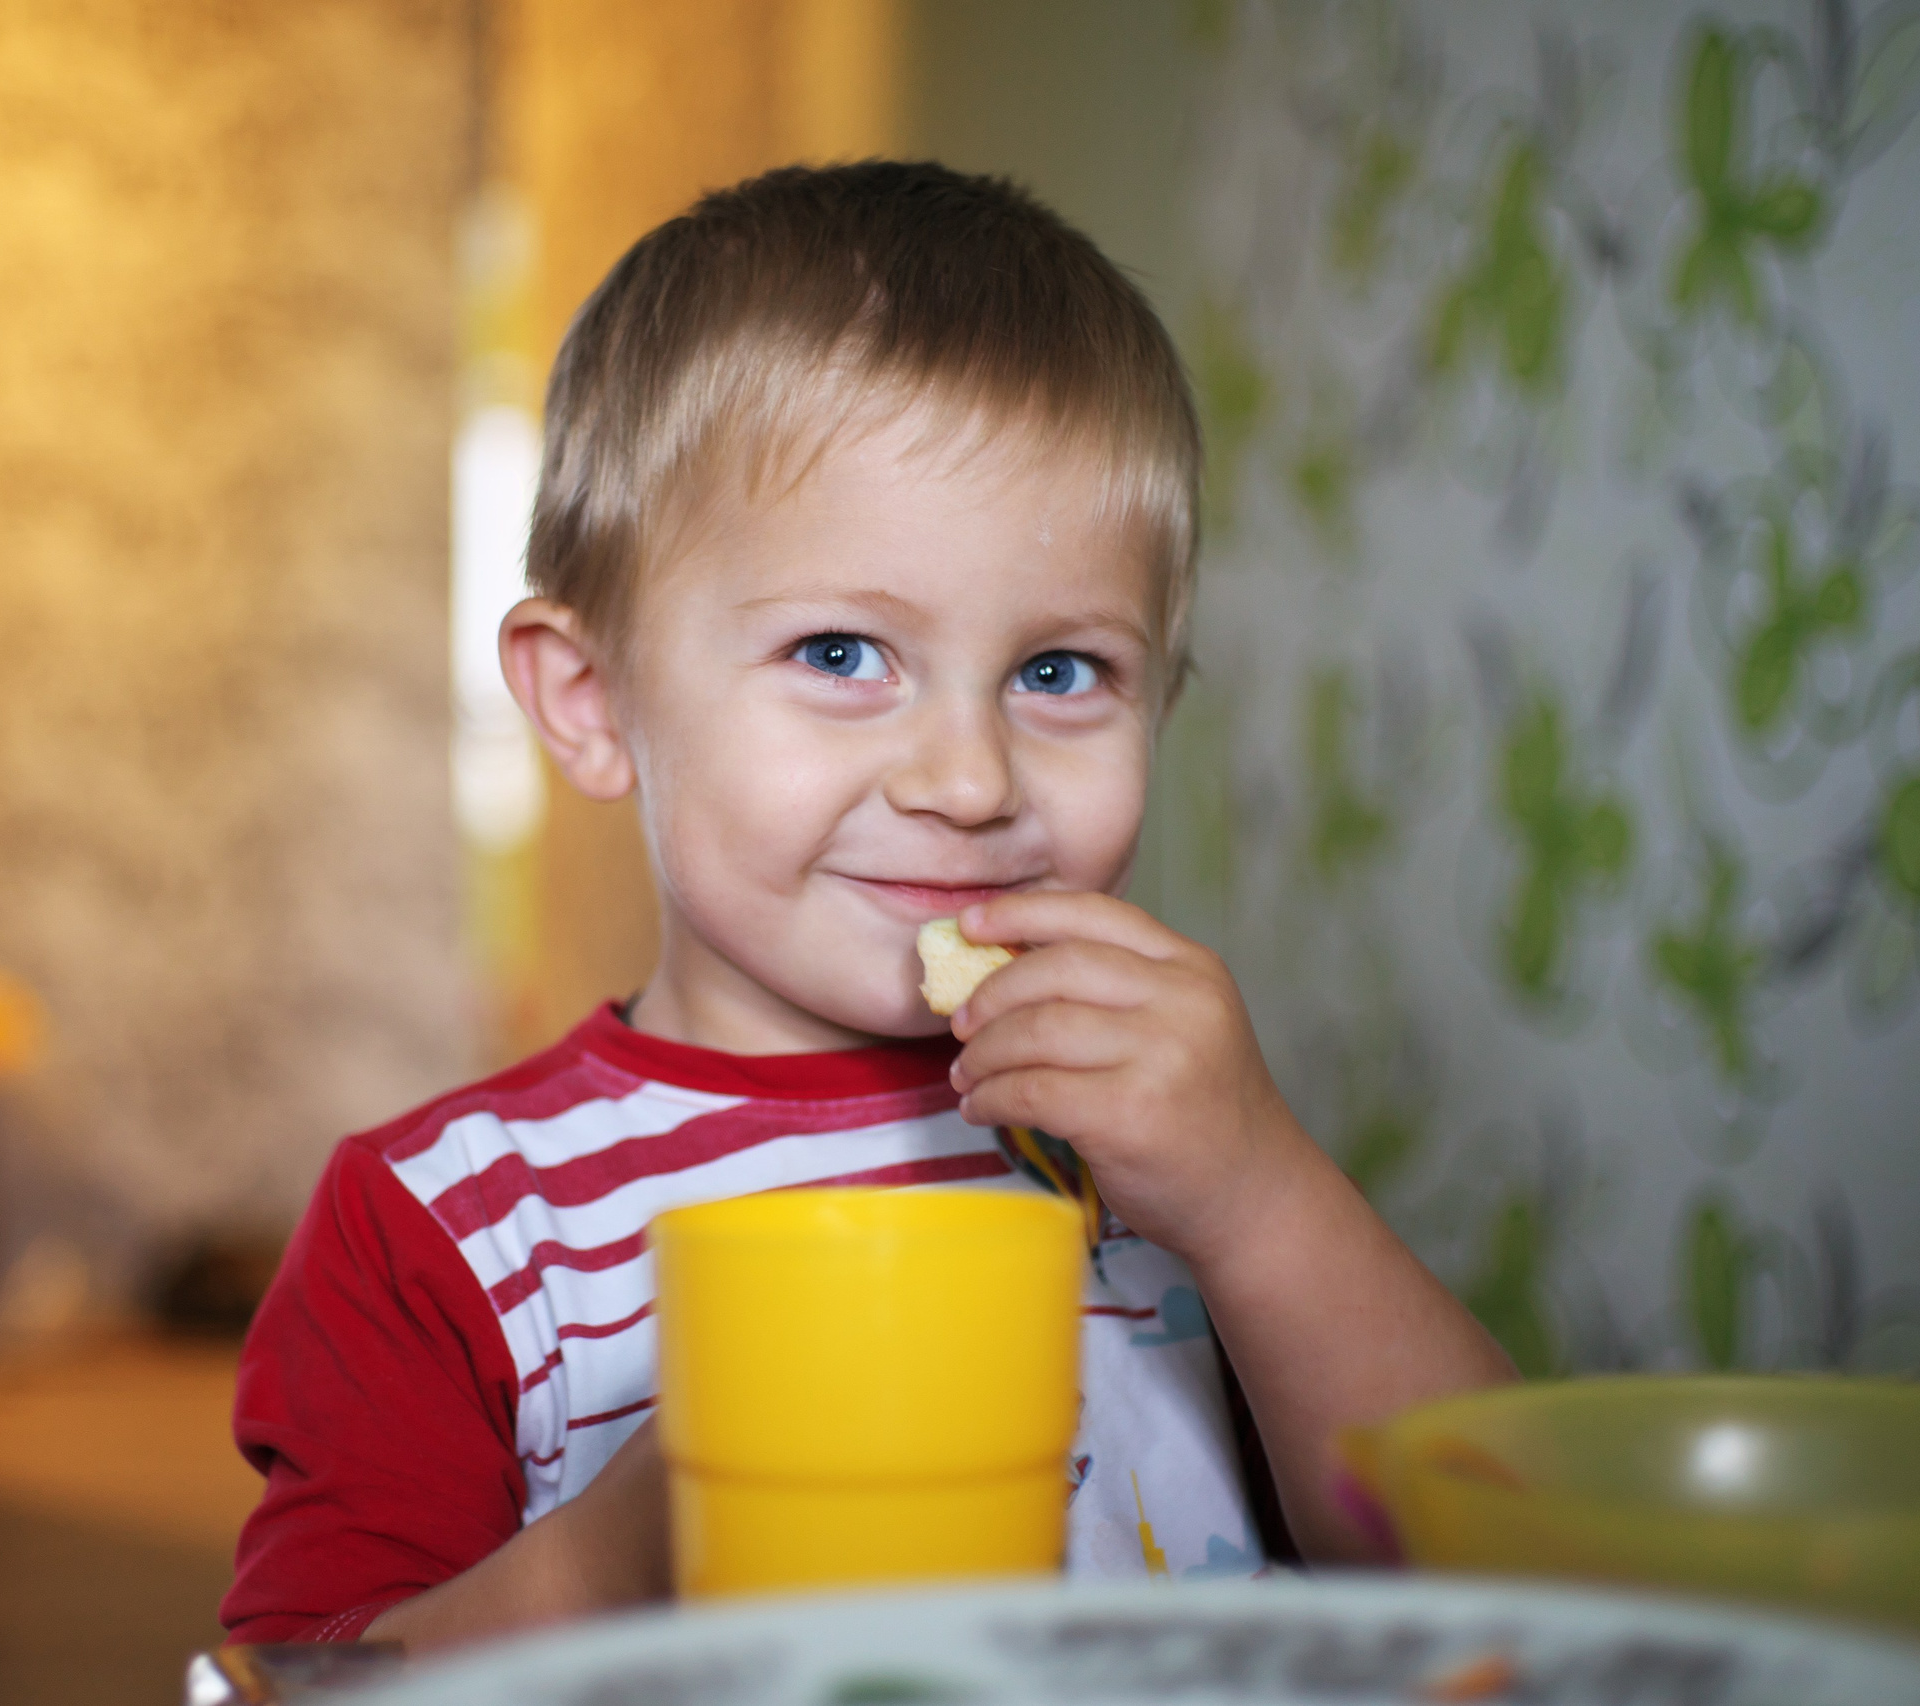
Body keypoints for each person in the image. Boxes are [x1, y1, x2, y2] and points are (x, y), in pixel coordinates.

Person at [222, 160, 1512, 1651]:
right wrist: (631, 1550)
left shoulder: (1158, 1140)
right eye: (840, 654)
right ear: (591, 699)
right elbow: (296, 1685)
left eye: (1059, 672)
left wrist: (1262, 1201)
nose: (970, 778)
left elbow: (1492, 1574)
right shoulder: (453, 1230)